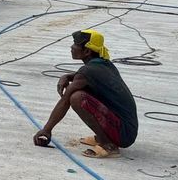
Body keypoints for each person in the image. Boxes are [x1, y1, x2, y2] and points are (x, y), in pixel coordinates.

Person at [33, 30, 138, 158]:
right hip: (127, 129)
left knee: (77, 98)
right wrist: (66, 76)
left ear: (87, 51)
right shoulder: (104, 64)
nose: (71, 47)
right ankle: (102, 137)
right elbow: (83, 76)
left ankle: (108, 145)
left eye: (75, 44)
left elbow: (65, 100)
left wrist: (46, 130)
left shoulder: (88, 72)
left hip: (123, 133)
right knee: (82, 92)